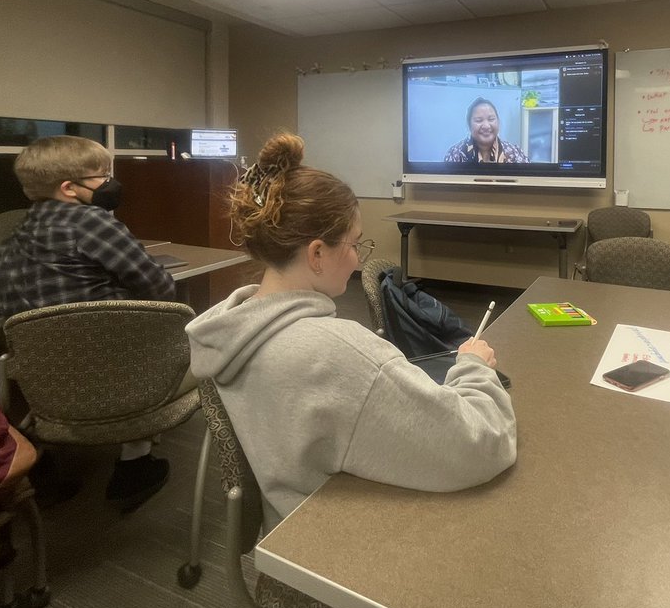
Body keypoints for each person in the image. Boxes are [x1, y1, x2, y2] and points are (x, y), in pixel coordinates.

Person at [186, 132, 516, 533]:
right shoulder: (337, 354)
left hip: (288, 529)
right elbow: (482, 445)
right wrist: (474, 368)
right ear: (317, 253)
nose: (358, 257)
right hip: (348, 541)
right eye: (355, 244)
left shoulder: (228, 329)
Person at [0, 135, 178, 511]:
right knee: (160, 334)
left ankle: (37, 463)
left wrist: (33, 291)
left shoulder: (19, 233)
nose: (110, 183)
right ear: (69, 188)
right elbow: (160, 287)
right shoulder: (94, 222)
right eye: (102, 176)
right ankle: (134, 464)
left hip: (43, 382)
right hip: (115, 371)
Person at [443, 97, 530, 164]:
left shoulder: (513, 152)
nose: (486, 126)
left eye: (491, 119)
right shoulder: (456, 154)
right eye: (479, 120)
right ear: (469, 125)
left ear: (498, 122)